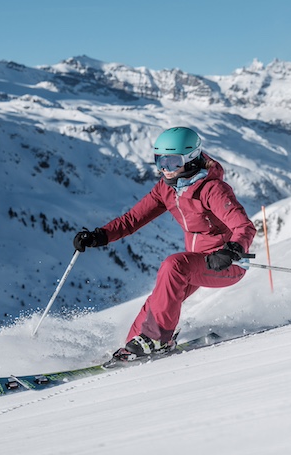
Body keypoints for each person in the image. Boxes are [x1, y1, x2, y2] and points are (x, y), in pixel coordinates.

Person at [73, 126, 256, 362]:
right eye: (159, 161)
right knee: (158, 302)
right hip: (197, 263)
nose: (164, 169)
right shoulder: (166, 189)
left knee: (173, 265)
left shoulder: (213, 189)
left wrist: (232, 250)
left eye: (171, 162)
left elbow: (244, 227)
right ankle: (132, 347)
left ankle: (158, 339)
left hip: (226, 263)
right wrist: (100, 236)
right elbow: (132, 220)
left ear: (191, 159)